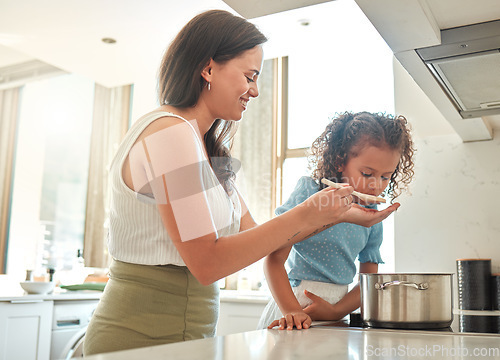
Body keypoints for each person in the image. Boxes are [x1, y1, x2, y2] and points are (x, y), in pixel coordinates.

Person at [83, 11, 400, 355]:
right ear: (208, 69)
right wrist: (310, 210)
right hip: (139, 337)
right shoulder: (170, 132)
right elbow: (207, 264)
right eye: (250, 76)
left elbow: (260, 241)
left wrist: (339, 214)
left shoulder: (204, 151)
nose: (256, 90)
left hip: (187, 335)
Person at [258, 111, 415, 331]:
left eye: (385, 176)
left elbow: (368, 280)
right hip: (293, 308)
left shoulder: (372, 216)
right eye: (367, 173)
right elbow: (273, 260)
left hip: (336, 316)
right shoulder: (310, 192)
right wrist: (291, 311)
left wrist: (337, 311)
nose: (376, 186)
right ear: (340, 161)